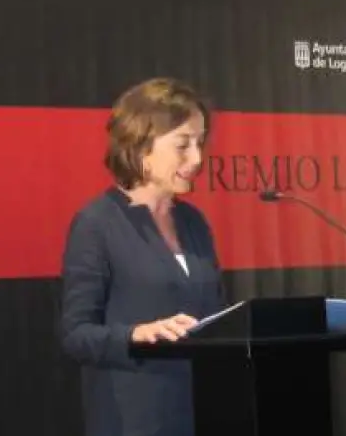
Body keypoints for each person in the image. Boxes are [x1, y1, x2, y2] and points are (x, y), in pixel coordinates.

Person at [59, 77, 227, 436]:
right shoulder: (97, 224)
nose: (197, 159)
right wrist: (135, 334)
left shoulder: (194, 222)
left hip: (205, 413)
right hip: (135, 420)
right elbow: (76, 335)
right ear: (140, 146)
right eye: (182, 145)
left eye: (200, 143)